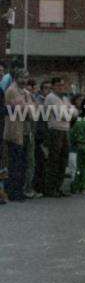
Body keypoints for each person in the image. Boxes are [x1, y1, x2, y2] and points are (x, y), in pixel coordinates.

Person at [44, 77, 76, 197]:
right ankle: (51, 188)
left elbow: (75, 112)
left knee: (63, 160)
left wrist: (69, 111)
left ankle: (58, 186)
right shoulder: (51, 98)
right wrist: (69, 112)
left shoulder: (64, 98)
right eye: (58, 85)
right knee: (54, 160)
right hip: (55, 131)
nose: (61, 87)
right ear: (53, 86)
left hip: (65, 130)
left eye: (62, 85)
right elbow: (61, 115)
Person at [3, 69, 32, 201]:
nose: (25, 80)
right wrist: (27, 109)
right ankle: (13, 192)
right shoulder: (11, 91)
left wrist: (27, 109)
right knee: (15, 165)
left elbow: (32, 111)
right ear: (16, 78)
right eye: (22, 78)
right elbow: (17, 110)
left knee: (23, 164)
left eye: (26, 78)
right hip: (14, 132)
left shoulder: (26, 93)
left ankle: (19, 190)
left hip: (25, 131)